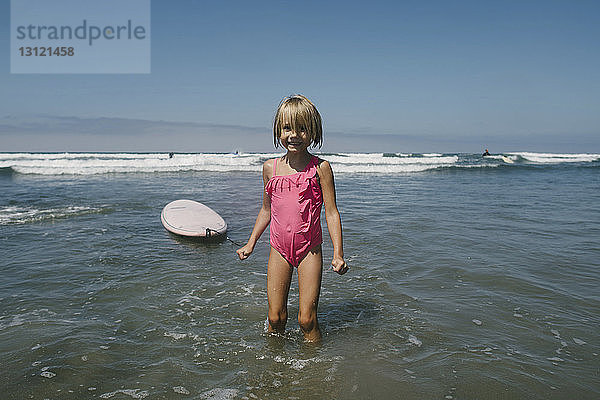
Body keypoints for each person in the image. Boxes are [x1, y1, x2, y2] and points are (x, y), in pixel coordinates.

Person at [236, 94, 347, 342]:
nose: (294, 135)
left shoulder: (321, 168)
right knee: (276, 318)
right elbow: (266, 209)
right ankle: (276, 367)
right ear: (278, 130)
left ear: (313, 132)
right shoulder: (269, 168)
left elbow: (331, 212)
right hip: (279, 249)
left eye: (302, 129)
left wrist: (338, 253)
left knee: (307, 320)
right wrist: (251, 243)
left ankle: (315, 371)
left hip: (310, 250)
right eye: (287, 128)